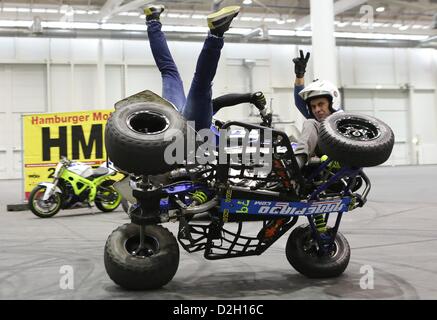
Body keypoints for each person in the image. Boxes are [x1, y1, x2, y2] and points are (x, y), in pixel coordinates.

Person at [291, 50, 343, 168]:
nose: (317, 109)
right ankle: (297, 161)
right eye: (313, 106)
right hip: (320, 155)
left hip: (339, 155)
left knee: (310, 122)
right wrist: (300, 76)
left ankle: (297, 162)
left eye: (321, 104)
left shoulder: (342, 119)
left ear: (332, 103)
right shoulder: (316, 121)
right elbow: (300, 102)